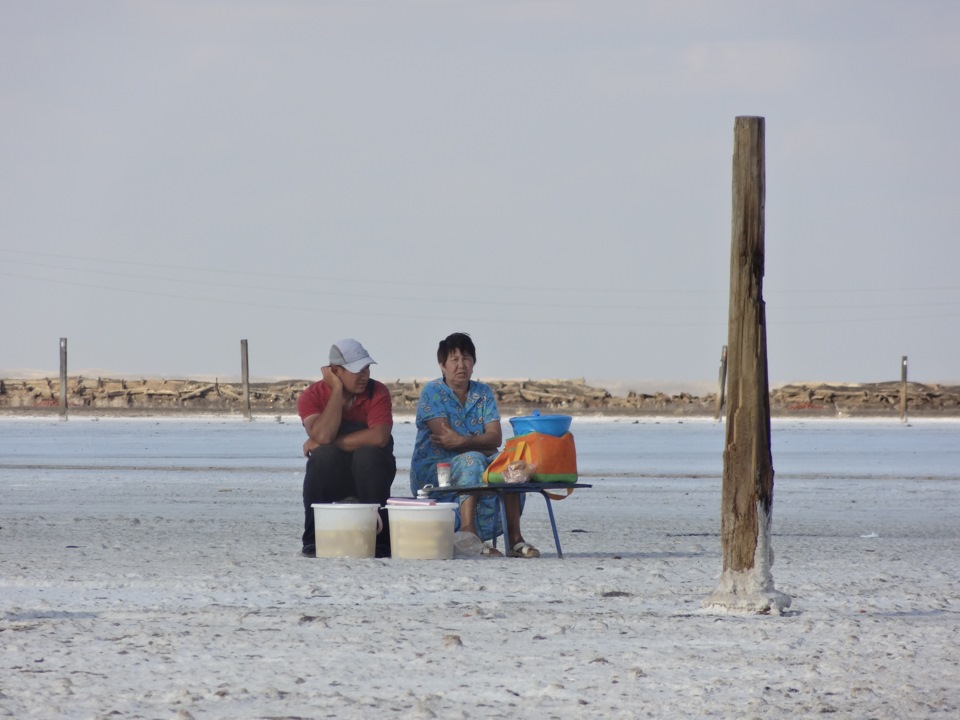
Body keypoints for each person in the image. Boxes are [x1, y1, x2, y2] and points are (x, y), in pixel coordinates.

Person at [410, 332, 539, 558]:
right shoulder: (432, 392)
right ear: (442, 365)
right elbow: (445, 438)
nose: (461, 365)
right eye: (455, 360)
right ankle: (470, 535)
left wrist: (464, 441)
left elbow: (495, 438)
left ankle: (515, 539)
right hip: (435, 470)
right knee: (474, 459)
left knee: (510, 465)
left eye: (467, 359)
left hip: (476, 463)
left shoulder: (483, 393)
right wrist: (478, 445)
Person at [298, 338, 396, 558]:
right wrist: (336, 392)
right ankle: (313, 537)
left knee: (368, 454)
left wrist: (329, 441)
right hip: (334, 472)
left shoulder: (377, 392)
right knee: (323, 456)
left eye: (367, 368)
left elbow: (379, 436)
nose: (364, 376)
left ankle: (379, 540)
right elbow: (323, 435)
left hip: (371, 475)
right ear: (336, 371)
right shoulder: (312, 396)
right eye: (357, 370)